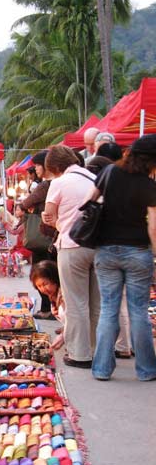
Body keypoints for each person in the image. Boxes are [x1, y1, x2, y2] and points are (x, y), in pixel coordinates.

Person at [89, 135, 156, 381]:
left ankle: (102, 369)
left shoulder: (109, 172)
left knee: (108, 309)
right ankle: (147, 370)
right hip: (137, 251)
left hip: (106, 250)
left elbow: (89, 200)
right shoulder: (149, 186)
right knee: (138, 311)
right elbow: (153, 228)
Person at [42, 145, 99, 369]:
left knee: (75, 302)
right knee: (96, 304)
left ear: (55, 167)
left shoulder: (59, 183)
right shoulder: (95, 178)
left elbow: (48, 215)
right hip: (98, 245)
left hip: (71, 244)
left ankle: (79, 353)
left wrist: (56, 220)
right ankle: (97, 350)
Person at [20, 150, 55, 319]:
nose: (36, 169)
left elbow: (26, 203)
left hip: (43, 236)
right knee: (53, 273)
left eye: (38, 165)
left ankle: (47, 308)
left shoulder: (45, 186)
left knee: (42, 273)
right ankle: (53, 309)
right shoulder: (56, 183)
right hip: (53, 235)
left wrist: (28, 207)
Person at [30, 261, 65, 351]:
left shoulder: (65, 294)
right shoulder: (53, 295)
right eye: (39, 286)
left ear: (54, 279)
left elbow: (76, 317)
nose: (43, 289)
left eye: (45, 284)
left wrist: (65, 334)